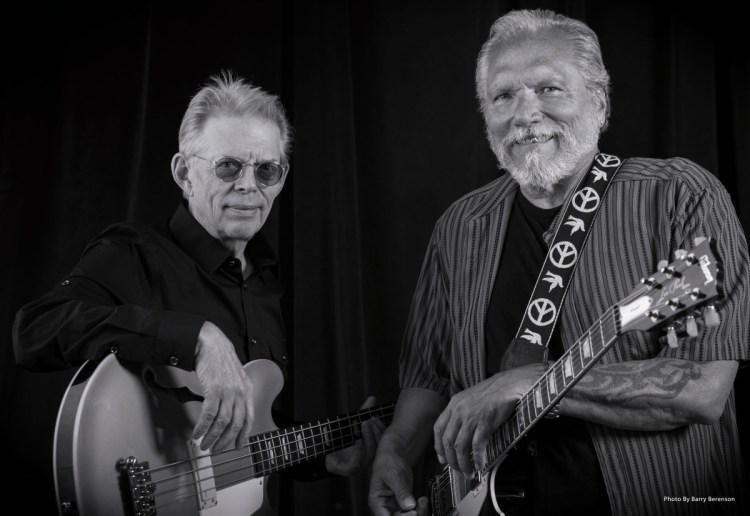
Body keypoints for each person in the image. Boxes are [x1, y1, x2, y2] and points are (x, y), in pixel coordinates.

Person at [369, 9, 748, 516]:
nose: (525, 113)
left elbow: (703, 390)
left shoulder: (680, 195)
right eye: (504, 95)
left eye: (549, 88)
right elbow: (429, 379)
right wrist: (395, 451)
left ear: (600, 101)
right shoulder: (459, 227)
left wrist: (528, 382)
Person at [13, 72, 383, 493]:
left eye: (267, 170)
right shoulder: (134, 253)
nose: (248, 185)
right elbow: (35, 329)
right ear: (184, 173)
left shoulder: (266, 282)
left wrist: (321, 457)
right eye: (228, 166)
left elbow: (241, 430)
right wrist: (197, 339)